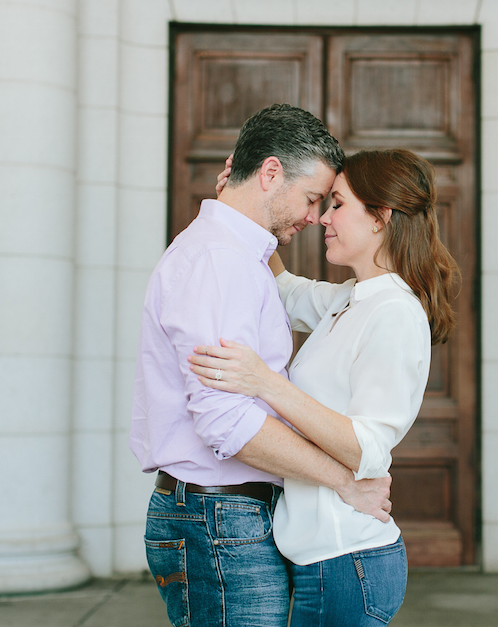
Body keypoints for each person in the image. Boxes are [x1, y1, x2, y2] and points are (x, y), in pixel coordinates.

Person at [129, 104, 392, 627]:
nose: (317, 216)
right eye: (314, 198)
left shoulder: (232, 253)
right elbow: (226, 421)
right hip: (218, 520)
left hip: (226, 517)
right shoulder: (219, 261)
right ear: (271, 173)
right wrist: (343, 480)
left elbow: (287, 286)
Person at [189, 148, 461, 626]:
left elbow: (369, 448)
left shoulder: (394, 313)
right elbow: (286, 288)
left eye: (337, 204)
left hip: (347, 563)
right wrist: (241, 206)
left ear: (381, 217)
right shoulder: (351, 300)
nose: (323, 219)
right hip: (320, 561)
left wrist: (264, 382)